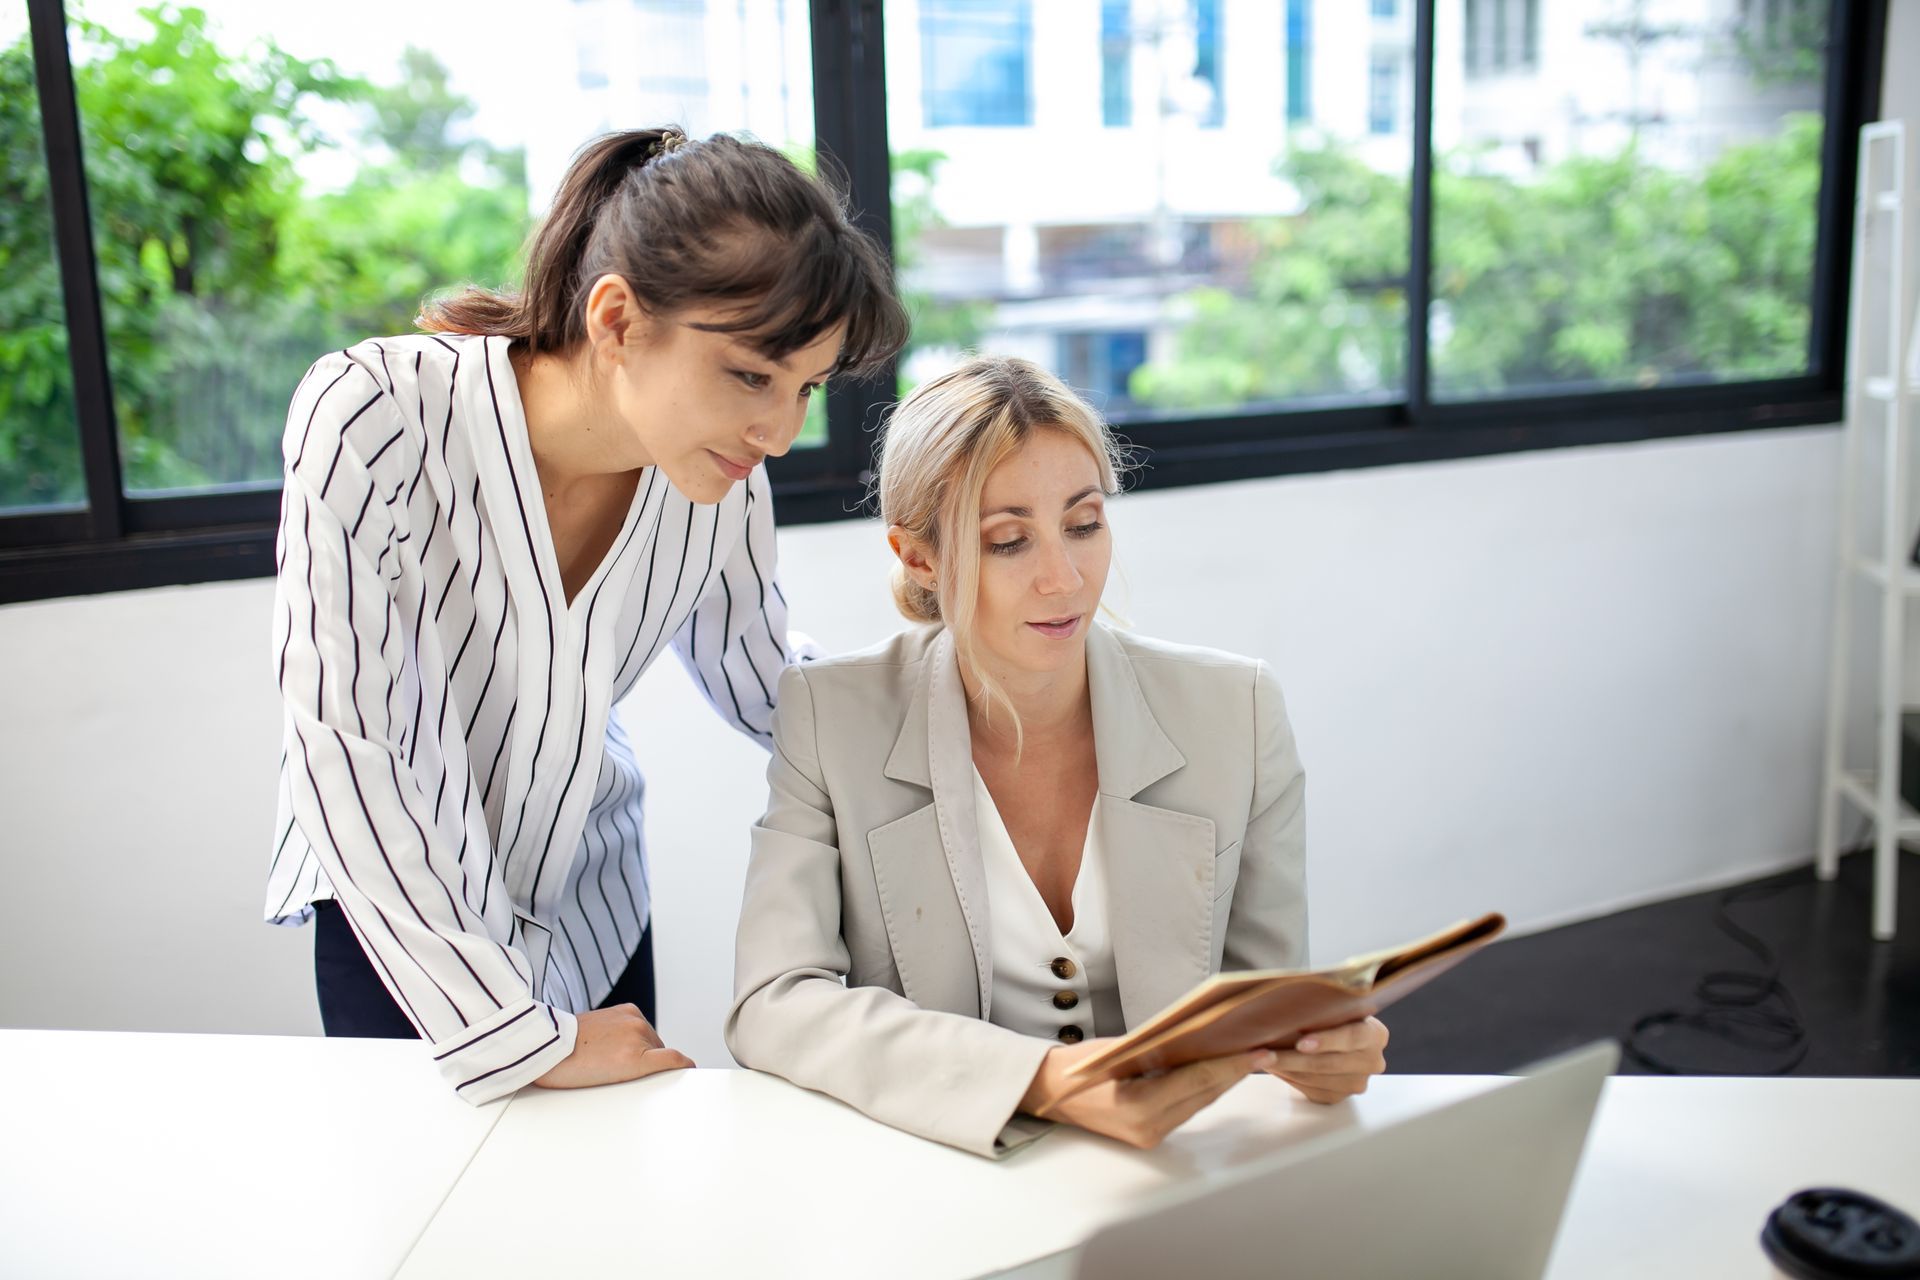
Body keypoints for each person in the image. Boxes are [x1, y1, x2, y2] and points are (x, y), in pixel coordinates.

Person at [266, 127, 908, 1103]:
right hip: (402, 929)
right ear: (616, 318)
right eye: (750, 373)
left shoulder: (720, 478)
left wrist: (962, 705)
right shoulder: (370, 412)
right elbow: (348, 745)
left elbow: (770, 679)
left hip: (593, 900)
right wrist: (515, 1035)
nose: (780, 430)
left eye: (805, 388)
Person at [727, 356, 1388, 1157]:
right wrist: (1041, 1080)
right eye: (1009, 541)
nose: (1064, 578)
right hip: (943, 1170)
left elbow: (1261, 1007)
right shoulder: (832, 716)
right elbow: (773, 999)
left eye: (1083, 524)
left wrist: (1314, 1054)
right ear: (918, 557)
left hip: (1166, 1169)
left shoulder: (1234, 712)